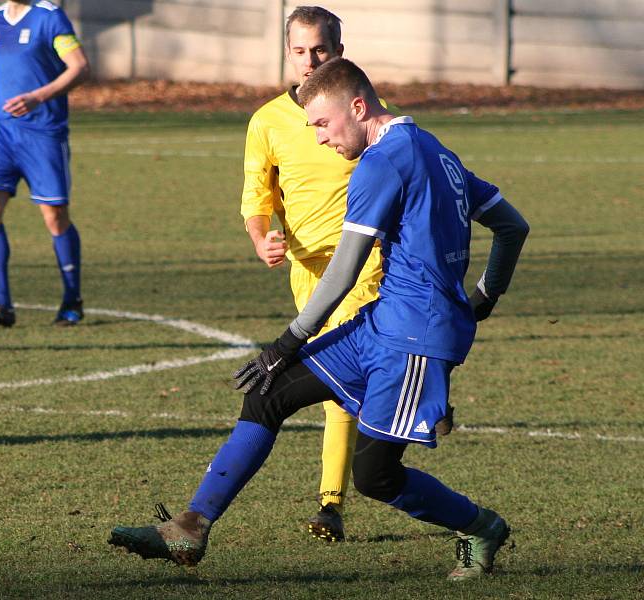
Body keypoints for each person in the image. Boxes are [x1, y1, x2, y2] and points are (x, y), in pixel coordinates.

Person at [109, 58, 529, 580]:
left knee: (375, 477)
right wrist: (485, 296)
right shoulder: (437, 153)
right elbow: (513, 226)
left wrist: (289, 339)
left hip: (413, 339)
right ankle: (190, 526)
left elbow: (345, 269)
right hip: (381, 323)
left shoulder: (381, 163)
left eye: (323, 125)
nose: (320, 139)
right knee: (268, 392)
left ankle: (481, 526)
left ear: (358, 106)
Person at [241, 5, 385, 542]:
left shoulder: (365, 114)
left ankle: (330, 503)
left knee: (337, 379)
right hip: (306, 271)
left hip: (364, 263)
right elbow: (256, 196)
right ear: (287, 53)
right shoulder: (267, 121)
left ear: (339, 52)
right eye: (300, 51)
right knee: (353, 378)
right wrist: (262, 238)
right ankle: (416, 391)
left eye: (320, 50)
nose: (309, 61)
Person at [0, 0, 90, 327]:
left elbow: (80, 67)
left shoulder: (49, 17)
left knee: (54, 217)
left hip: (43, 133)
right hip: (2, 132)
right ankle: (1, 306)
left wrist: (37, 97)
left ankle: (72, 301)